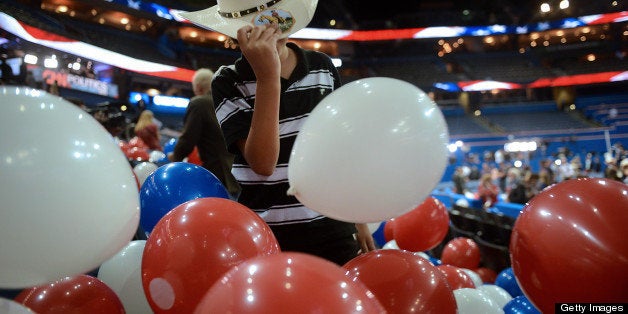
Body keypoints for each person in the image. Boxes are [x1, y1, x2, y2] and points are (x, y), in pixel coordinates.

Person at [181, 0, 376, 266]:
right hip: (267, 232)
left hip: (331, 226)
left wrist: (358, 215)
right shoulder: (228, 81)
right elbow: (263, 163)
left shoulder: (322, 67)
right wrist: (268, 77)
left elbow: (338, 148)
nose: (269, 28)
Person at [168, 68, 241, 199]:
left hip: (218, 177)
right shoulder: (227, 101)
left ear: (198, 87)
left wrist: (174, 159)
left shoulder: (199, 103)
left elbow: (188, 140)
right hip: (238, 177)